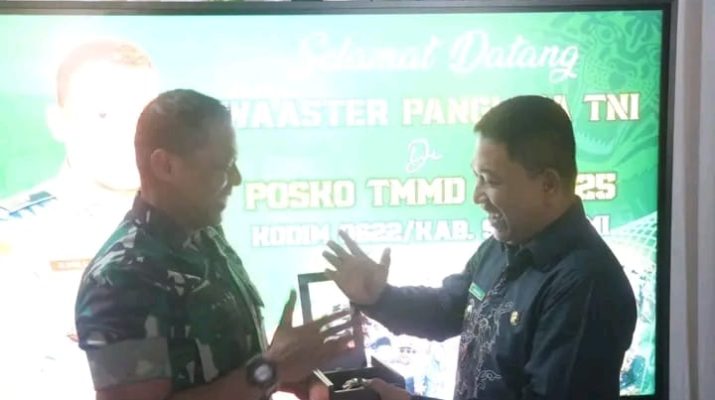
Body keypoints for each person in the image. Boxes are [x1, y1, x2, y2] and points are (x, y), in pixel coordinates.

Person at [323, 95, 637, 400]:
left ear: (548, 184)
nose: (477, 196)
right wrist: (380, 297)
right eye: (477, 177)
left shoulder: (586, 284)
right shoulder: (502, 246)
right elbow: (447, 309)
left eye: (491, 181)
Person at [75, 89, 353, 400]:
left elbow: (224, 370)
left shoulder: (205, 236)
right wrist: (270, 370)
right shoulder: (121, 276)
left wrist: (297, 373)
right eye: (222, 166)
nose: (236, 179)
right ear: (165, 166)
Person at [0, 39, 160, 400]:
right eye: (103, 115)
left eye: (144, 115)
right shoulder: (15, 236)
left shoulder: (194, 228)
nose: (130, 134)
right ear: (58, 123)